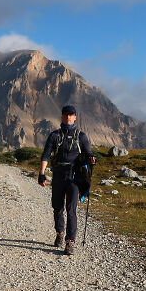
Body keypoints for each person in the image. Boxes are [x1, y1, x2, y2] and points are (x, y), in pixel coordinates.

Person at [38, 105, 96, 255]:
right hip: (58, 175)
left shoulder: (81, 136)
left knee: (71, 209)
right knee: (57, 207)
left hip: (74, 177)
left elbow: (89, 153)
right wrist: (42, 173)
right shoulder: (54, 135)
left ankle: (70, 242)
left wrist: (92, 158)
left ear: (75, 117)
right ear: (62, 116)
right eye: (66, 115)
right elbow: (46, 154)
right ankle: (60, 233)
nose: (68, 117)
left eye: (71, 115)